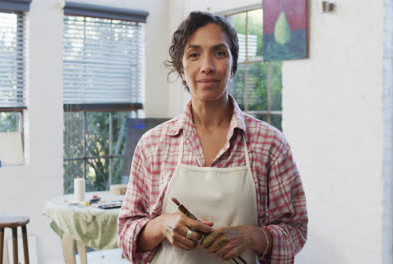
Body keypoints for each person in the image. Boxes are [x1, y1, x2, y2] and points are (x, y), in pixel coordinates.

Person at [118, 11, 307, 264]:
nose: (207, 66)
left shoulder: (270, 144)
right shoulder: (153, 144)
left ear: (233, 66)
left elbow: (295, 230)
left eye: (219, 53)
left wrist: (251, 236)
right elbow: (126, 232)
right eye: (194, 54)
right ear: (181, 68)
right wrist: (162, 226)